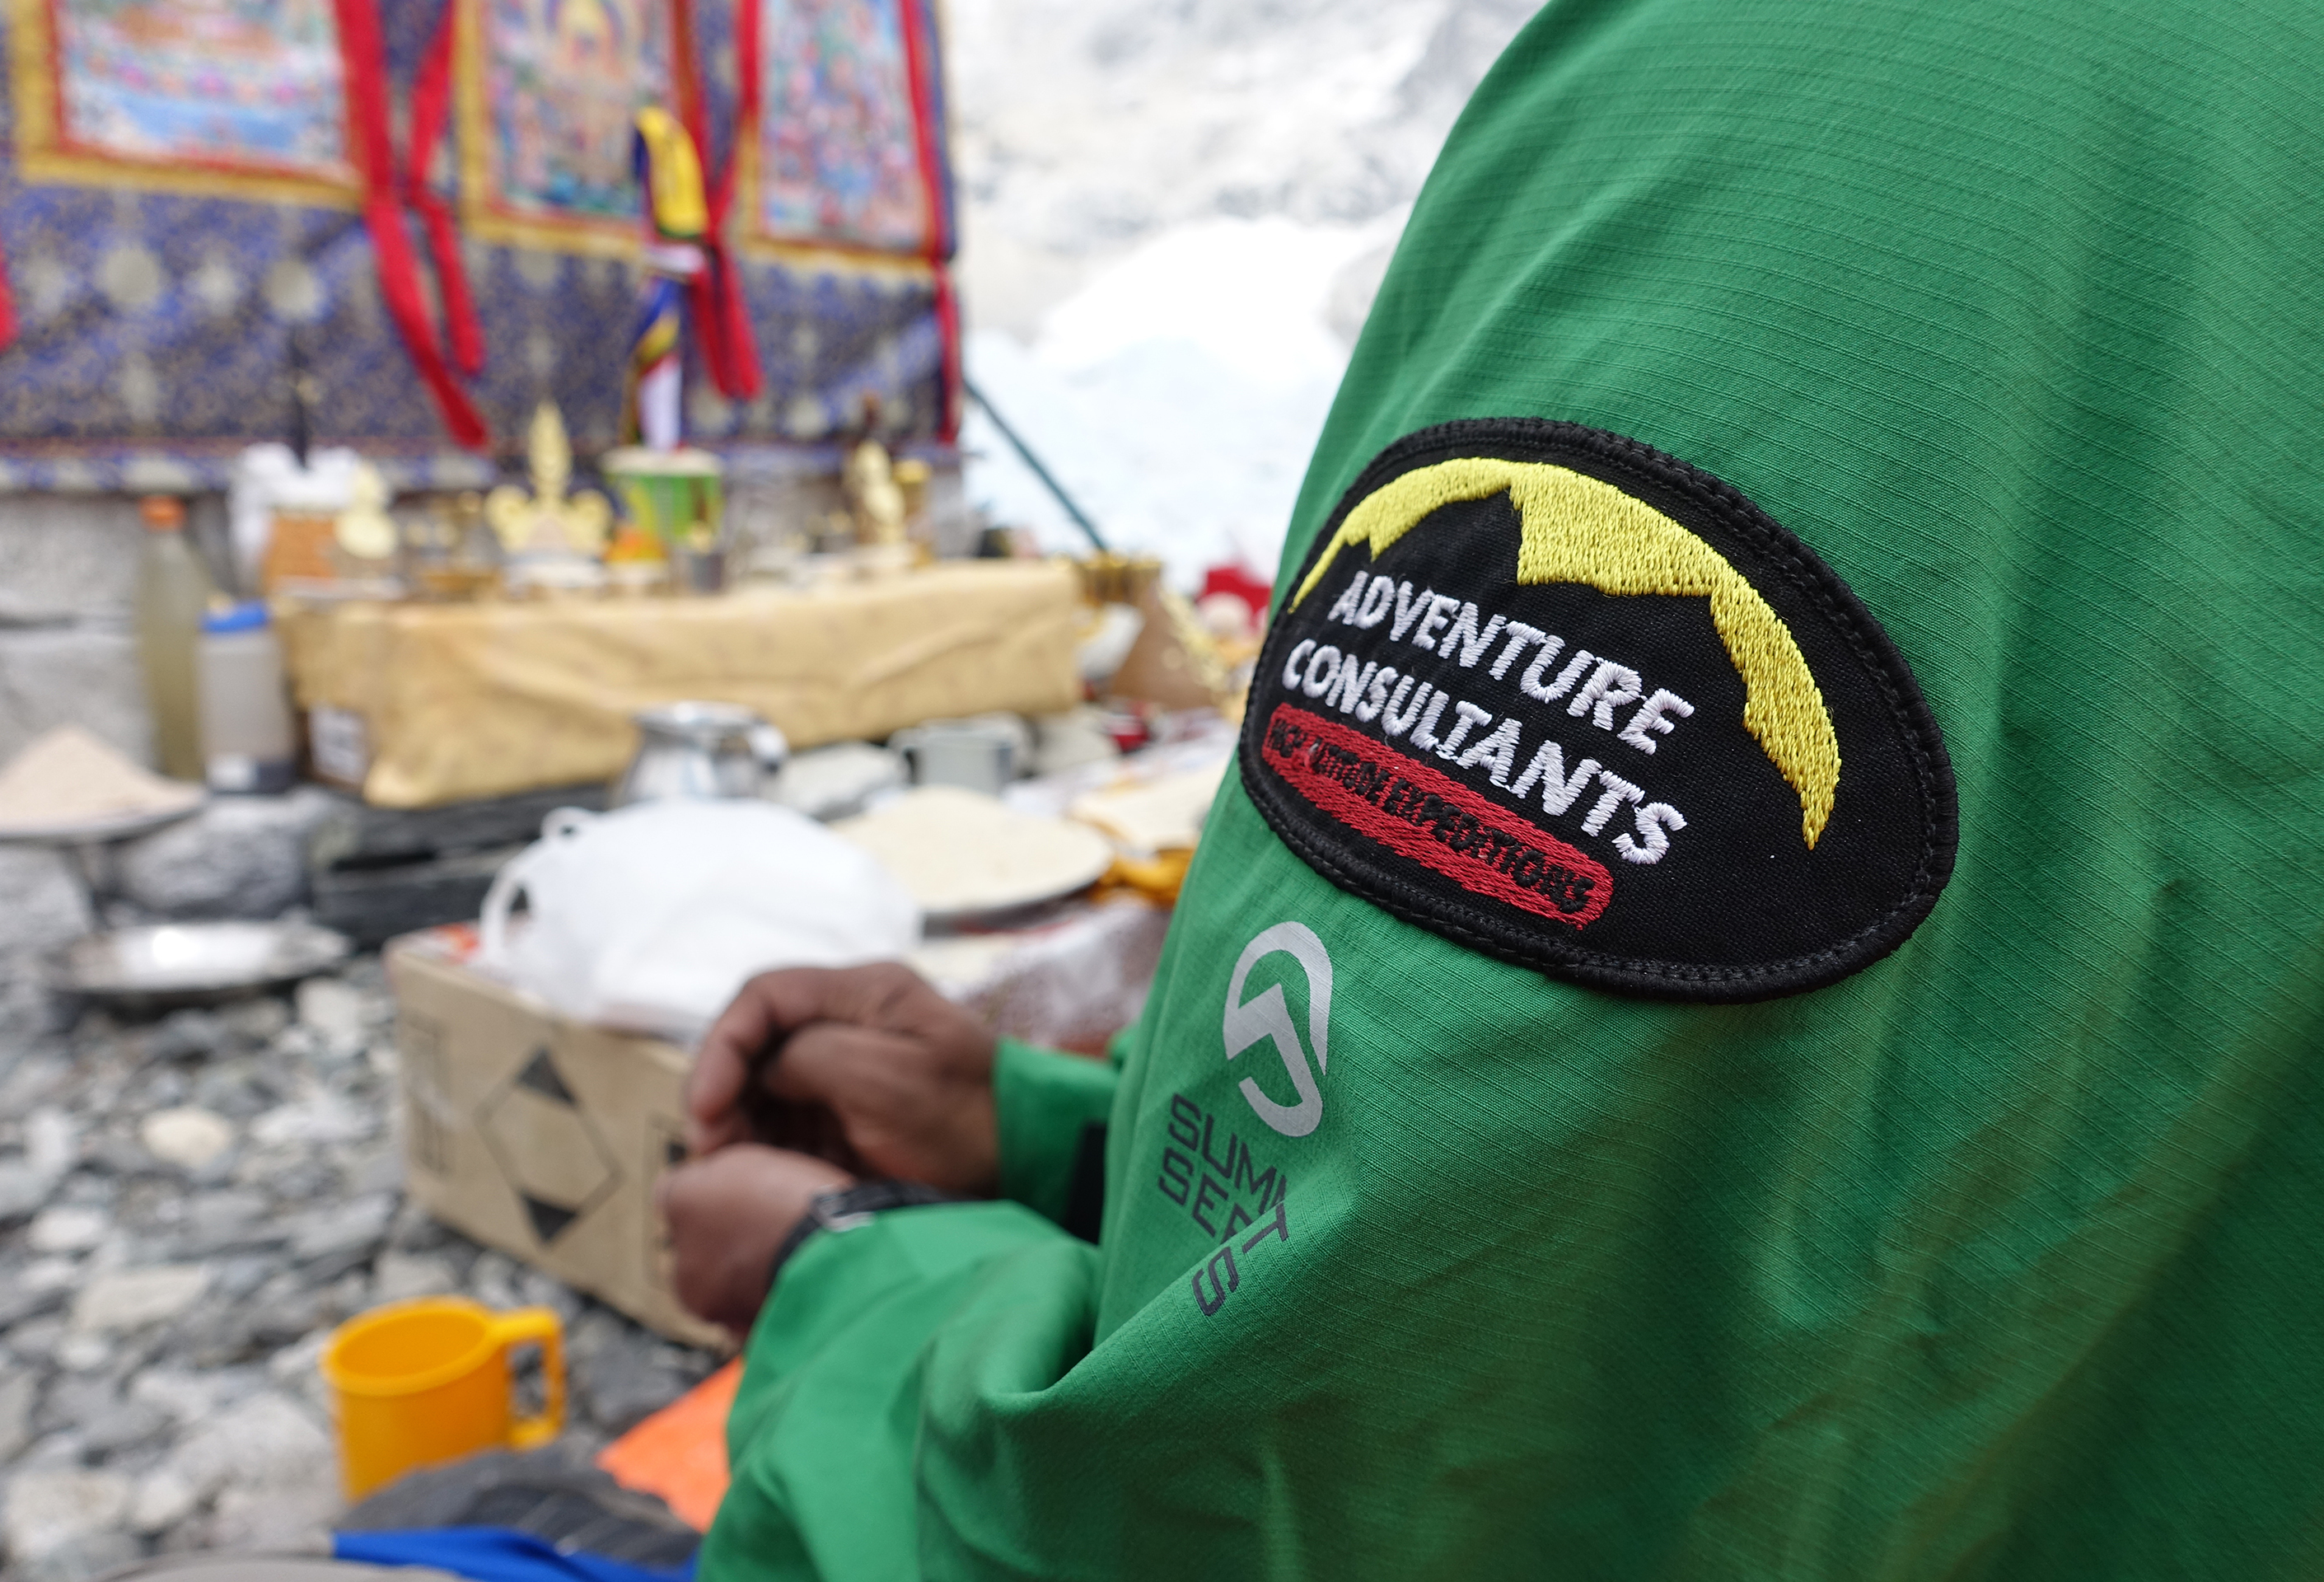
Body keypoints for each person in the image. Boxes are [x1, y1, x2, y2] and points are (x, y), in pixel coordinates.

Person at [656, 0, 2324, 1575]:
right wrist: (1054, 1144)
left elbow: (1284, 1498)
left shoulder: (1875, 93)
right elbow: (2019, 1159)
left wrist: (849, 1279)